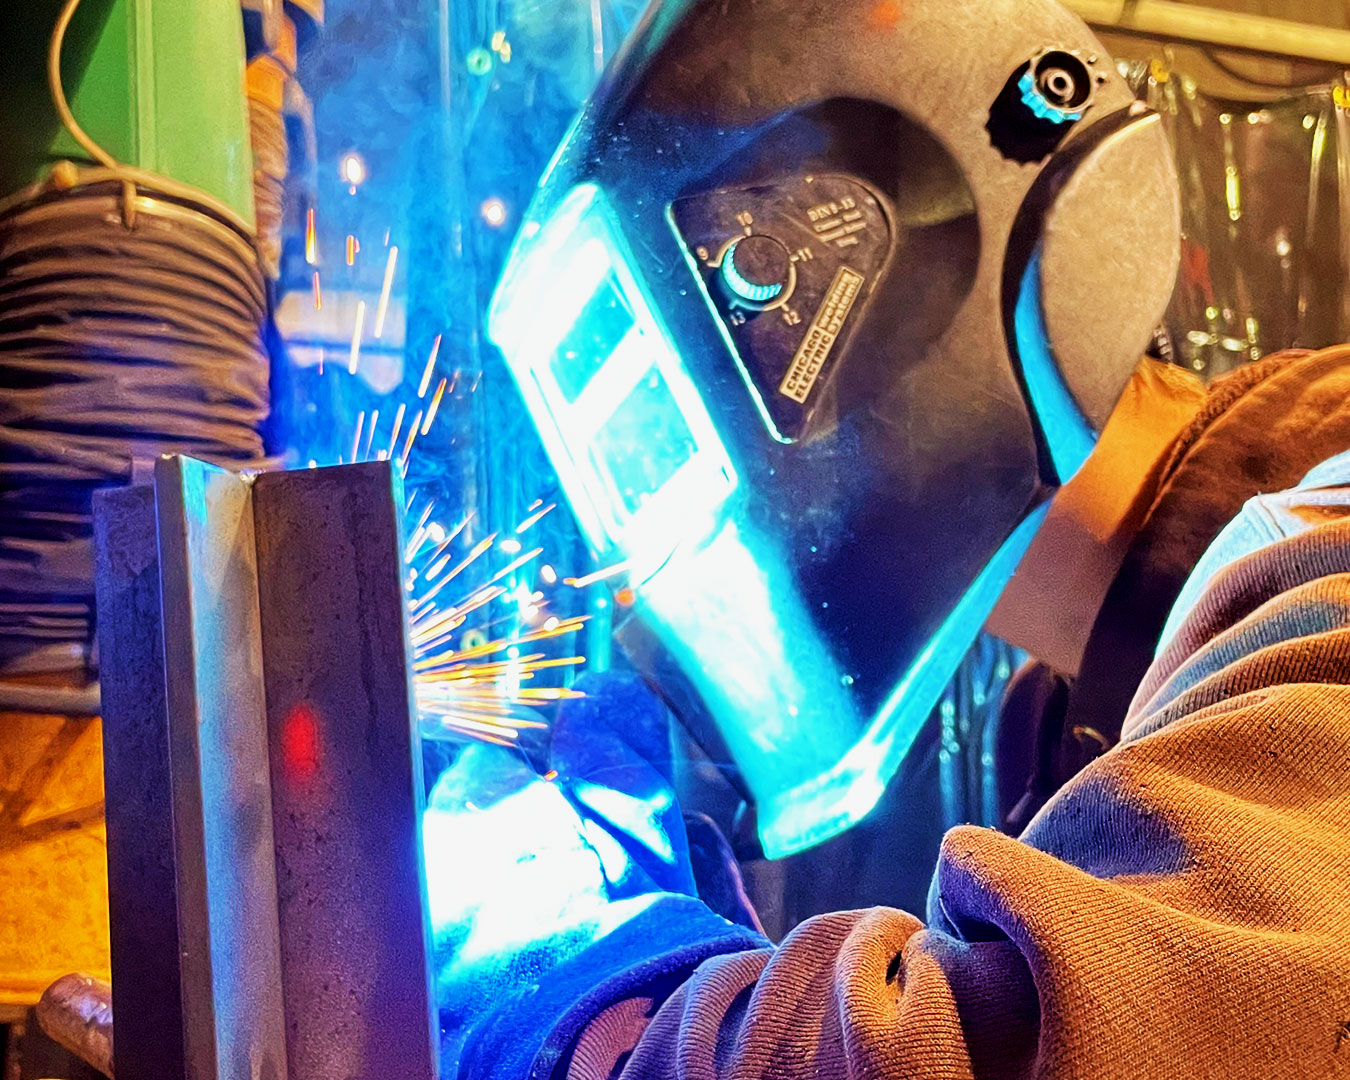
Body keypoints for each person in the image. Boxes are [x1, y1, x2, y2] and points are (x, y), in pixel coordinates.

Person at [434, 343, 1350, 1079]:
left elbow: (1033, 1042)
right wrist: (723, 980)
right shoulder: (1071, 731)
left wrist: (581, 986)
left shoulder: (1336, 541)